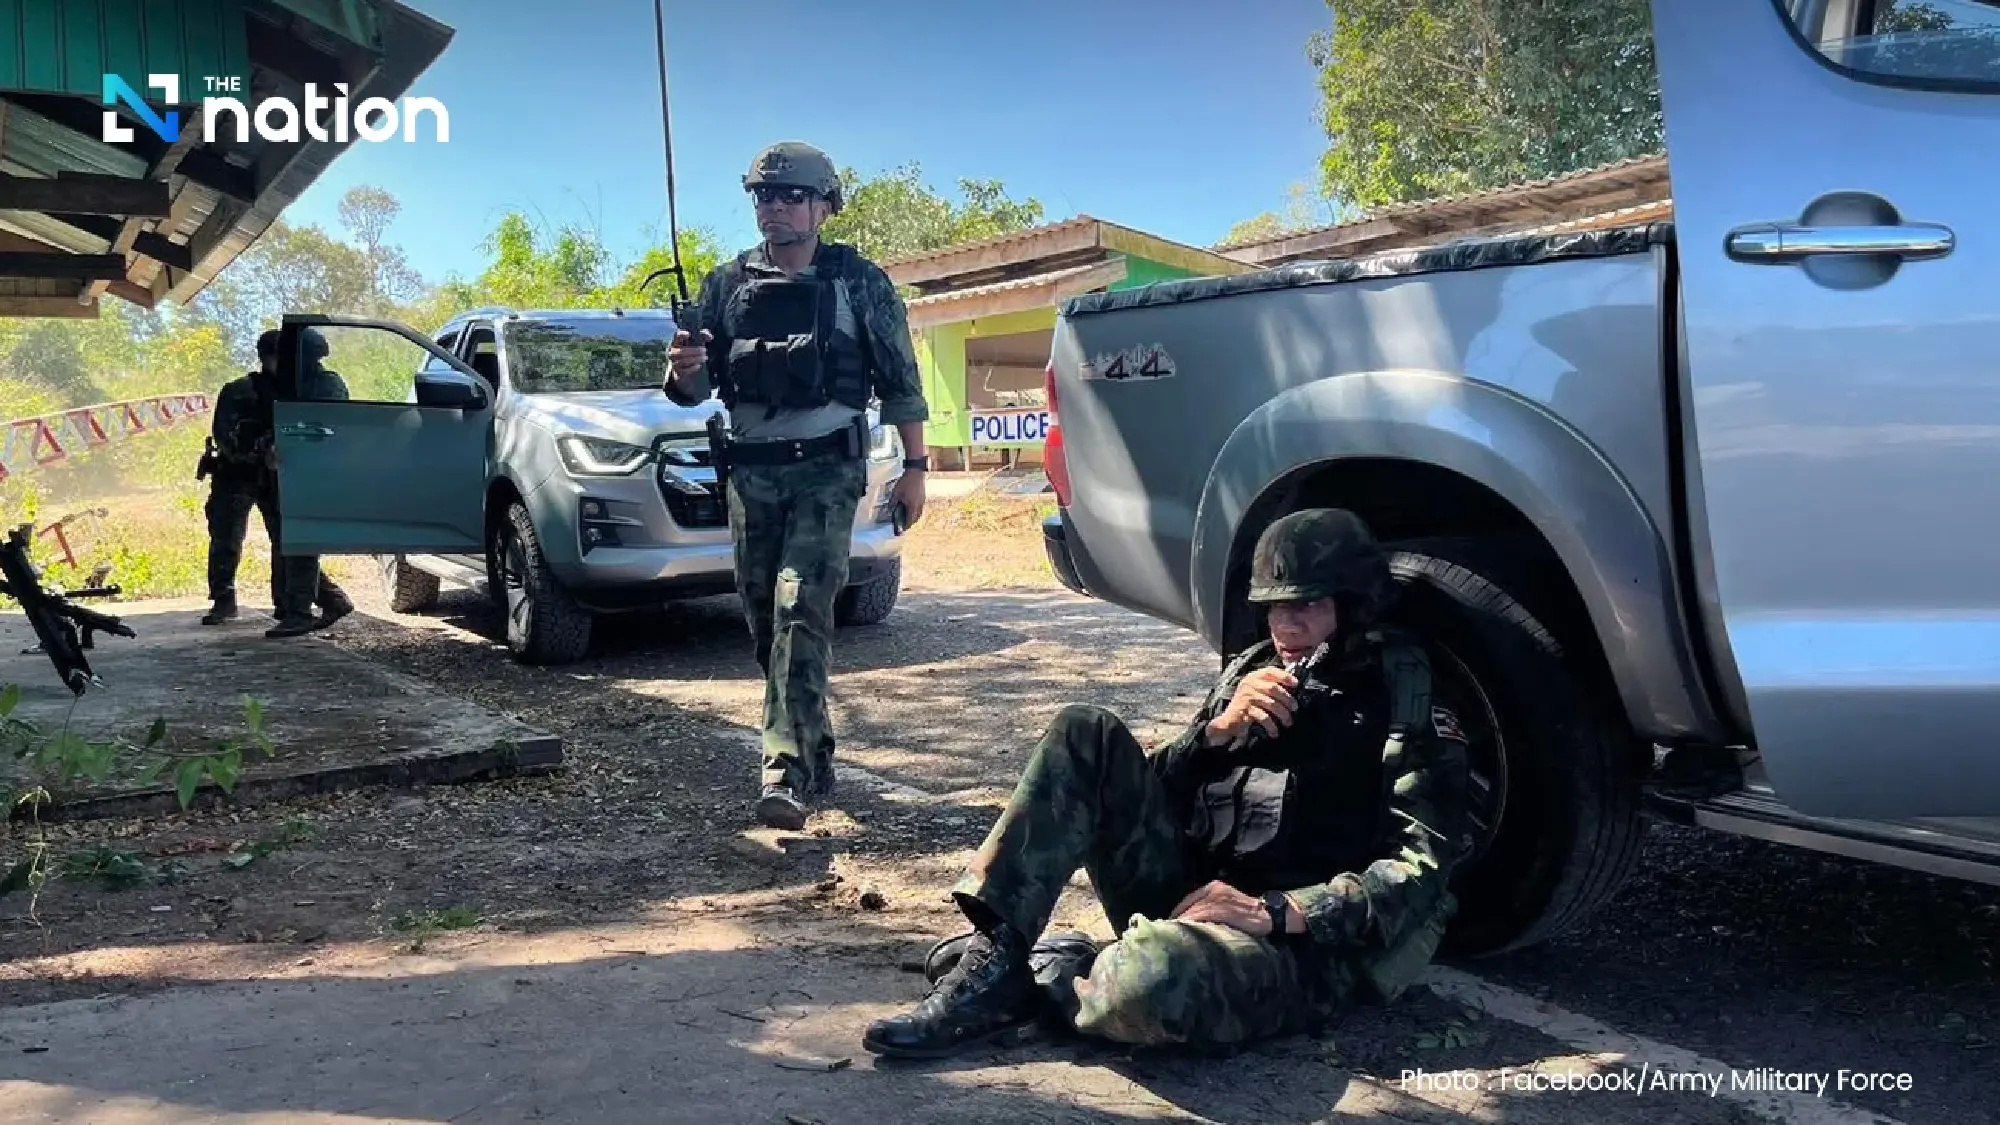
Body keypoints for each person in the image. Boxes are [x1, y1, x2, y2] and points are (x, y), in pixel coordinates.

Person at [861, 508, 1473, 1059]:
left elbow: (1422, 869)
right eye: (1274, 606)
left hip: (1290, 946)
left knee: (1154, 978)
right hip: (1189, 893)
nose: (1286, 625)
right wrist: (1210, 737)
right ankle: (998, 957)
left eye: (1307, 606)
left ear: (1353, 605)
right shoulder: (1255, 670)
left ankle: (1059, 975)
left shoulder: (1405, 699)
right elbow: (1145, 797)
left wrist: (1278, 912)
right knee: (1085, 730)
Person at [665, 141, 931, 831]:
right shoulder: (727, 284)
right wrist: (685, 364)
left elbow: (902, 379)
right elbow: (692, 390)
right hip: (751, 474)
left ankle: (780, 768)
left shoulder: (858, 282)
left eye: (790, 195)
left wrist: (916, 467)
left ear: (822, 205)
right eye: (763, 195)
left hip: (827, 471)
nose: (774, 207)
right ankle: (813, 746)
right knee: (764, 622)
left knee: (799, 608)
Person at [199, 328, 353, 639]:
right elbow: (226, 436)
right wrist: (259, 451)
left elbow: (330, 424)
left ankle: (301, 607)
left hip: (285, 475)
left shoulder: (320, 385)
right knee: (228, 539)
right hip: (238, 474)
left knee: (291, 544)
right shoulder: (241, 391)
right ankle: (226, 599)